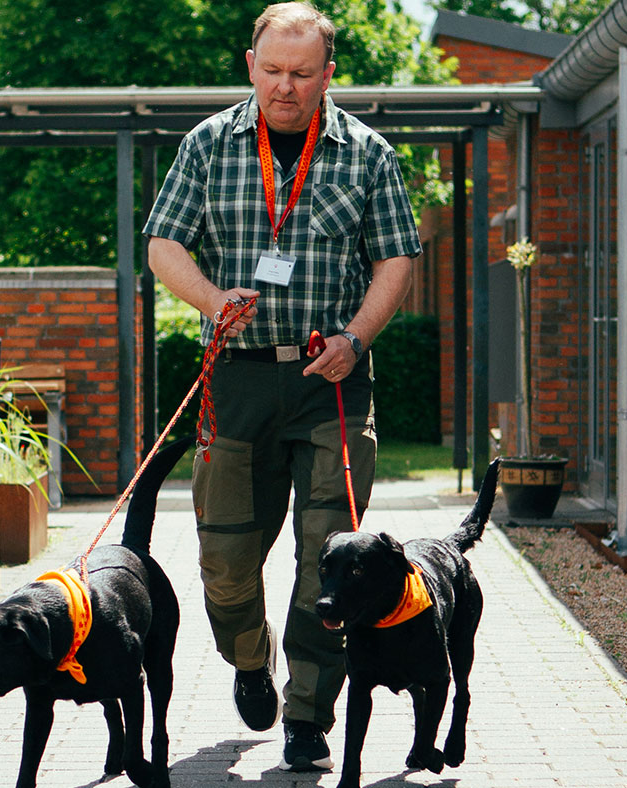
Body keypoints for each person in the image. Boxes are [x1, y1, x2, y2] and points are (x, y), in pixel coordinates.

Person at [142, 1, 421, 773]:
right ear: (250, 65)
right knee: (225, 560)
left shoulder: (367, 154)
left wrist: (355, 338)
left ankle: (307, 714)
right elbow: (163, 243)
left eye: (302, 74)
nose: (285, 88)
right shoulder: (208, 145)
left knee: (327, 560)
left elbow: (396, 261)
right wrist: (210, 300)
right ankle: (249, 657)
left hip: (330, 385)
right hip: (234, 382)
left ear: (328, 75)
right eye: (272, 71)